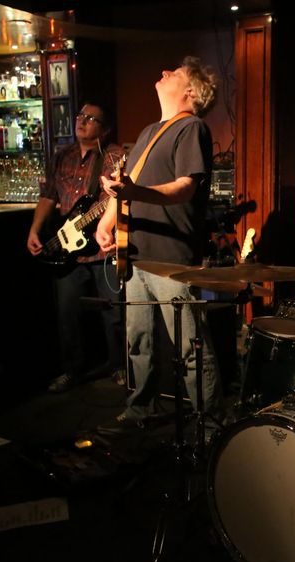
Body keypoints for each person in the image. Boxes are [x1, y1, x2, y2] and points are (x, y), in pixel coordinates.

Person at [94, 56, 221, 434]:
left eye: (175, 73)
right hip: (135, 254)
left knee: (190, 344)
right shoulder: (150, 132)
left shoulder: (192, 128)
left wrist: (135, 192)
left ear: (190, 91)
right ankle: (140, 411)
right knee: (139, 341)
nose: (163, 72)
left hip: (172, 257)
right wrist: (106, 223)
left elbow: (185, 188)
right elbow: (125, 186)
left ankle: (210, 424)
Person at [26, 101, 126, 393]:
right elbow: (48, 196)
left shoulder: (115, 156)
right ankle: (72, 370)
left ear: (104, 129)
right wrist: (34, 229)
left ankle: (119, 366)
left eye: (91, 118)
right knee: (67, 314)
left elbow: (119, 196)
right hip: (66, 247)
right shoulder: (62, 156)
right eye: (80, 115)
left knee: (113, 312)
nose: (81, 121)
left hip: (102, 248)